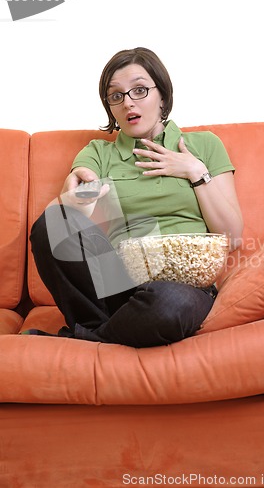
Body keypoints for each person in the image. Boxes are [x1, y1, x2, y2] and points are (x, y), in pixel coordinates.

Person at [29, 47, 243, 348]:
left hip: (182, 287)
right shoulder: (99, 153)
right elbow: (56, 217)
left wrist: (195, 171)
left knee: (169, 303)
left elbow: (231, 237)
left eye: (139, 90)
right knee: (52, 222)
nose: (128, 101)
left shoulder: (203, 146)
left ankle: (87, 340)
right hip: (118, 284)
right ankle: (105, 329)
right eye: (116, 95)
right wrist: (76, 196)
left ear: (163, 96)